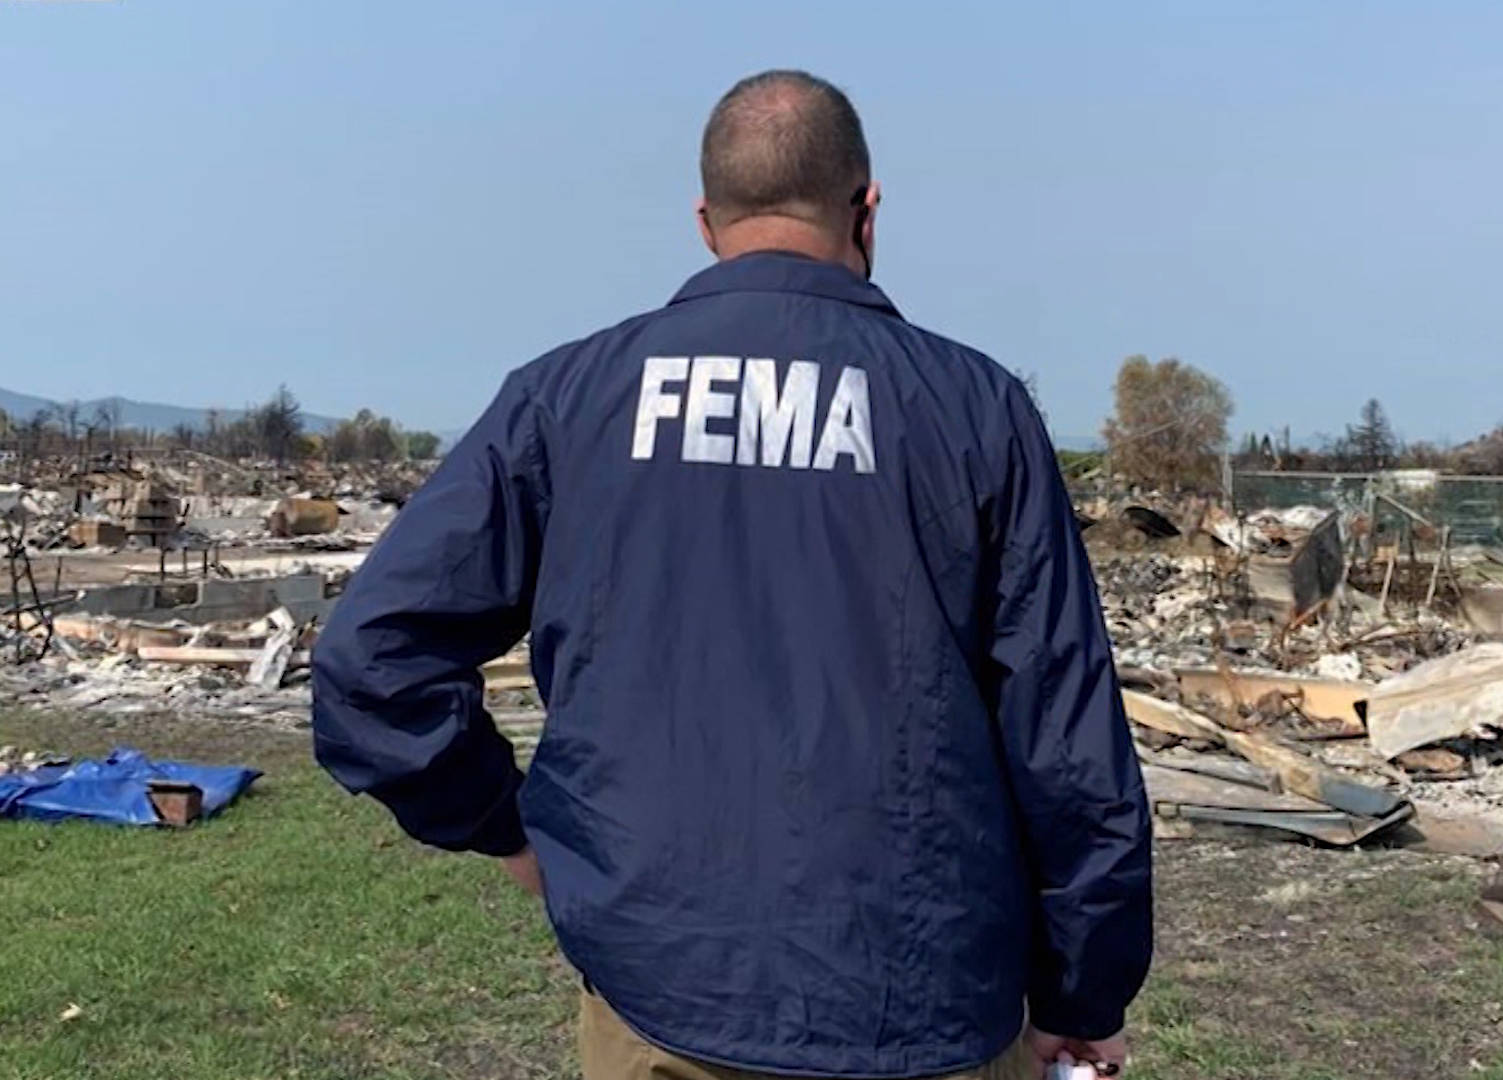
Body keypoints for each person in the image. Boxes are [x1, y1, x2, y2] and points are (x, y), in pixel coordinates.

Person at [312, 69, 1151, 1080]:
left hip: (660, 988)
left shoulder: (571, 399)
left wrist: (508, 831)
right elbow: (1067, 732)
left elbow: (372, 659)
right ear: (867, 210)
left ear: (707, 223)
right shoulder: (976, 410)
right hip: (925, 996)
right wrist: (1084, 989)